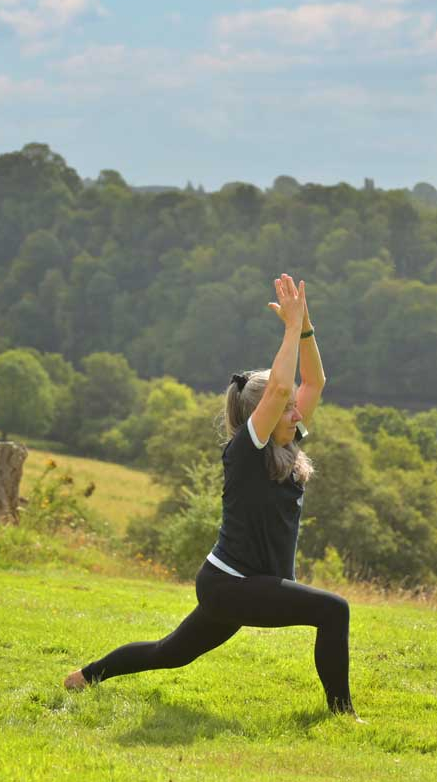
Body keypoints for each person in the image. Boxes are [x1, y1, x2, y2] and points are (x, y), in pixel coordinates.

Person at [64, 274, 358, 717]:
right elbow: (280, 388)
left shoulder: (286, 441)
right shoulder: (245, 452)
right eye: (286, 406)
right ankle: (342, 714)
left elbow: (313, 383)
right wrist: (288, 330)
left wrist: (306, 328)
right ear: (266, 411)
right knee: (334, 611)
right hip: (230, 584)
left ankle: (83, 677)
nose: (296, 408)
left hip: (242, 584)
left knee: (169, 653)